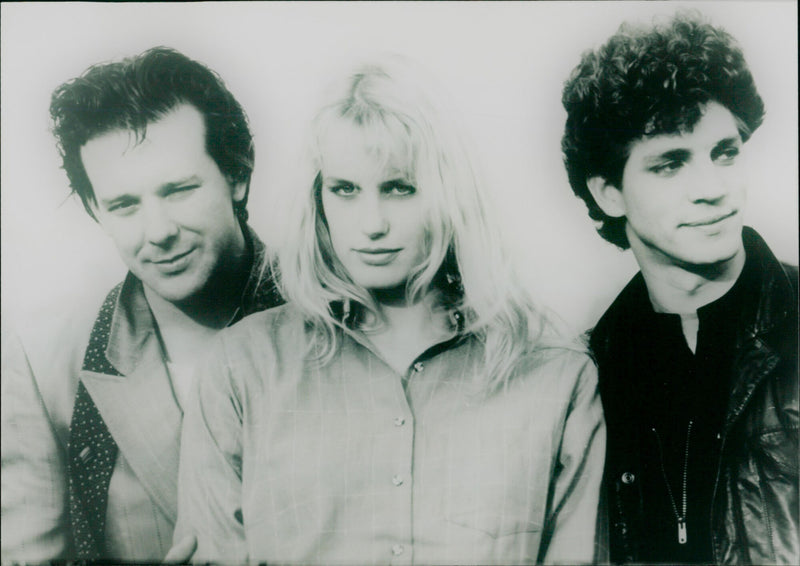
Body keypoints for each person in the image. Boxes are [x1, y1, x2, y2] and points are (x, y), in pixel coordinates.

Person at [174, 56, 605, 565]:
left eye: (399, 188)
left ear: (449, 194)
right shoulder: (242, 368)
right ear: (319, 199)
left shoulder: (554, 375)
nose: (371, 223)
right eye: (345, 190)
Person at [1, 46, 283, 562]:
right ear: (94, 209)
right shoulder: (44, 364)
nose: (158, 233)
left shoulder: (349, 320)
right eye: (124, 205)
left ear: (238, 175)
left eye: (178, 190)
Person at [561, 11, 799, 564]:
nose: (713, 189)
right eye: (670, 164)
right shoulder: (585, 372)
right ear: (608, 194)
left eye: (725, 152)